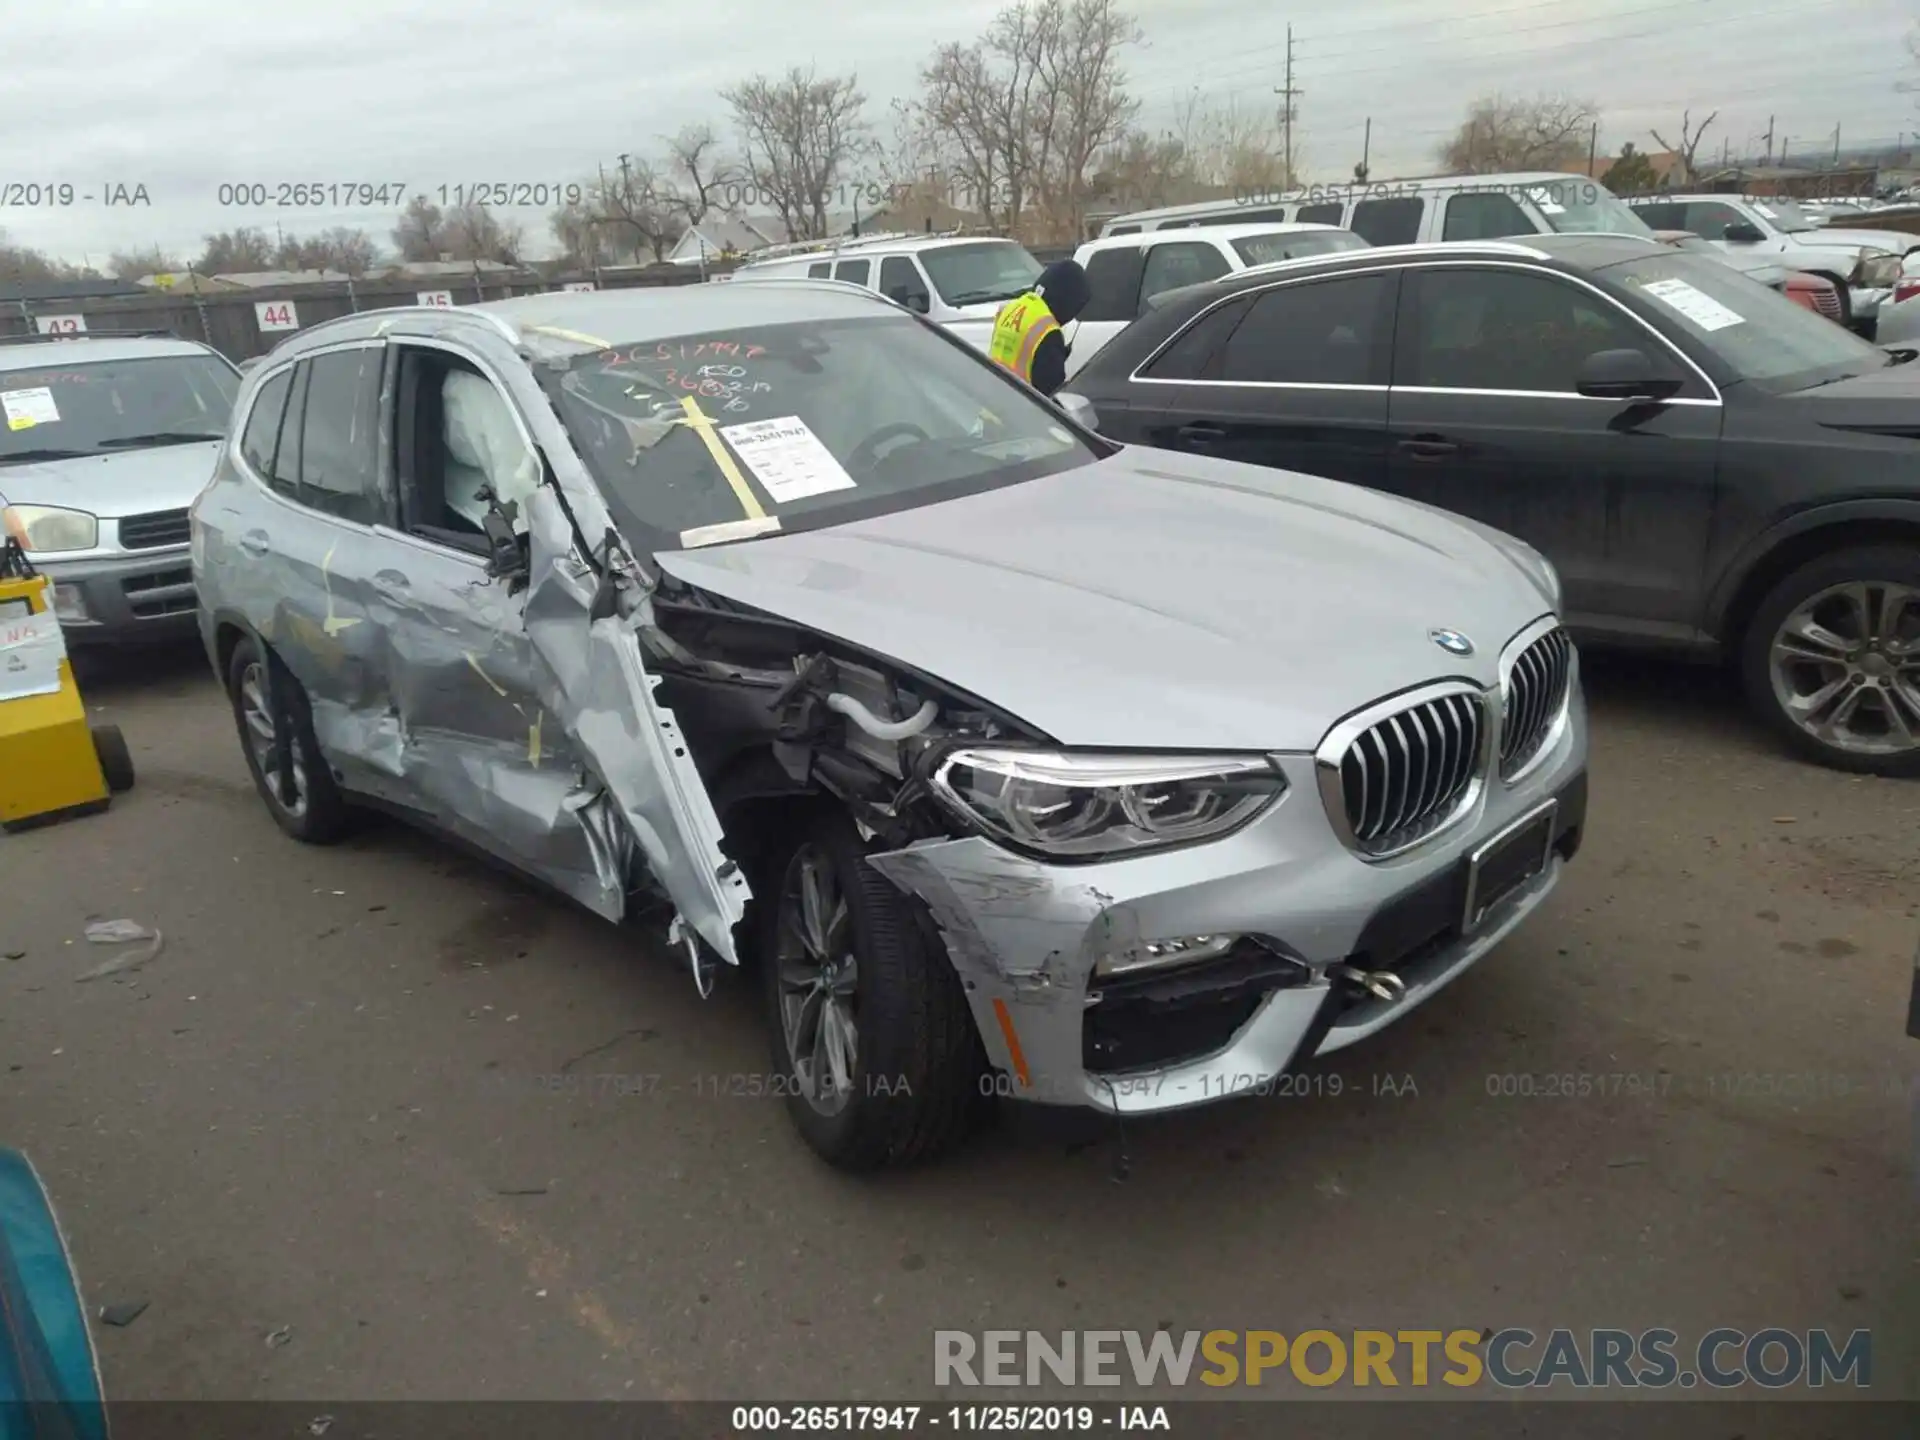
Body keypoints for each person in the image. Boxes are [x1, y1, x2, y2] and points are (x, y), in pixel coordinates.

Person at [988, 259, 1091, 397]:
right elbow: (1051, 391)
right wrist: (1055, 357)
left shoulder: (1012, 307)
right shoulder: (1047, 329)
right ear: (1067, 301)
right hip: (1020, 412)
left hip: (992, 403)